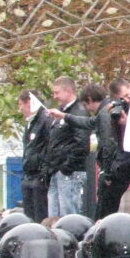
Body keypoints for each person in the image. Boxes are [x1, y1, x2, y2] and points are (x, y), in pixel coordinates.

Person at [44, 76, 94, 217]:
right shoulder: (59, 113)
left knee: (69, 215)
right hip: (56, 170)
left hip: (69, 173)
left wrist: (67, 167)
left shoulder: (78, 112)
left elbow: (82, 142)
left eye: (57, 92)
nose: (55, 96)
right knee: (54, 216)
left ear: (69, 91)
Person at [95, 78, 130, 218]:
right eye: (123, 98)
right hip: (124, 164)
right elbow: (112, 142)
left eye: (128, 95)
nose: (127, 100)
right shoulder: (112, 112)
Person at [21, 92, 53, 221]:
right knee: (29, 216)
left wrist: (44, 171)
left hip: (39, 177)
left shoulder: (45, 120)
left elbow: (50, 147)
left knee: (40, 215)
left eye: (20, 104)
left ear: (29, 102)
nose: (20, 109)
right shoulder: (30, 123)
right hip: (29, 175)